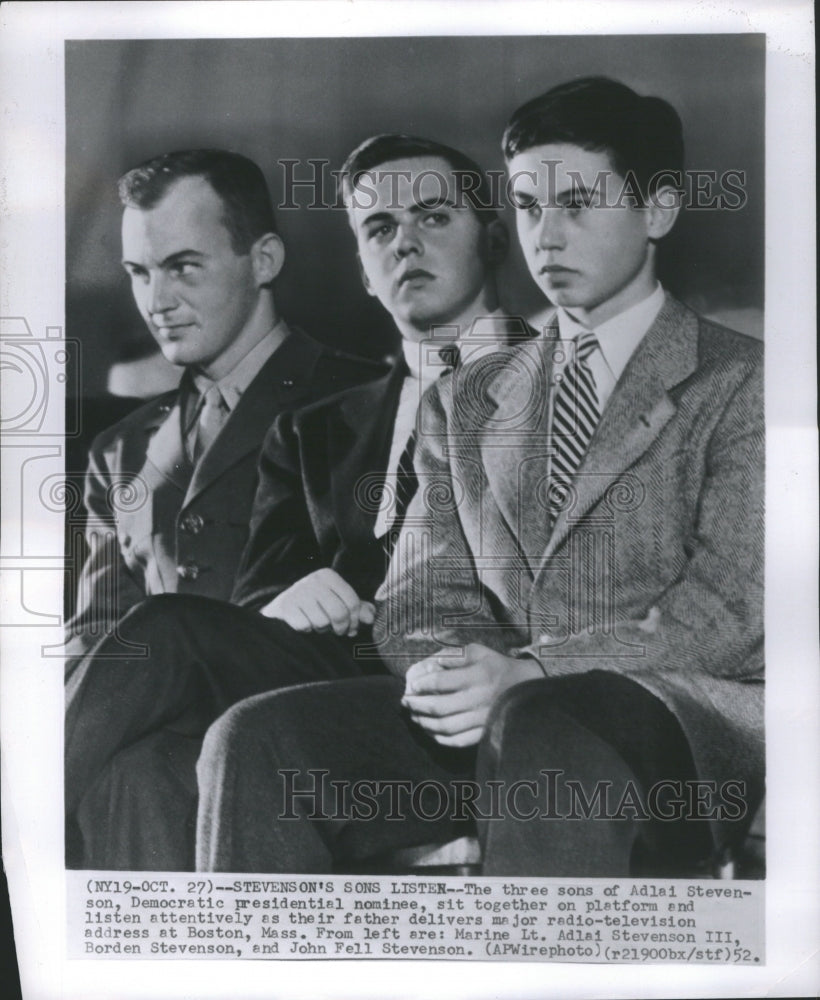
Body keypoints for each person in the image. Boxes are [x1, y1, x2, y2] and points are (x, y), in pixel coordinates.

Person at [196, 77, 764, 877]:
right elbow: (423, 592)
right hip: (504, 714)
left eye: (578, 202)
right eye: (529, 208)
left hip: (682, 722)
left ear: (659, 209)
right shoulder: (469, 397)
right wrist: (457, 676)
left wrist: (533, 672)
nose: (548, 237)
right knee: (255, 738)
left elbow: (732, 610)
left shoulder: (747, 380)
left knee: (543, 725)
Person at [65, 135, 529, 869]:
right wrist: (289, 598)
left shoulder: (568, 386)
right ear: (365, 274)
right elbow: (257, 592)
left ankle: (20, 802)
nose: (405, 242)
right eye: (379, 229)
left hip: (469, 695)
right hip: (316, 683)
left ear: (496, 239)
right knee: (138, 771)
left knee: (168, 628)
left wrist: (365, 592)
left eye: (434, 218)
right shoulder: (317, 425)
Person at [65, 149, 372, 667]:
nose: (157, 301)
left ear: (264, 260)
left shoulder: (366, 400)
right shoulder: (118, 451)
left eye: (182, 267)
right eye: (140, 273)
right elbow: (95, 645)